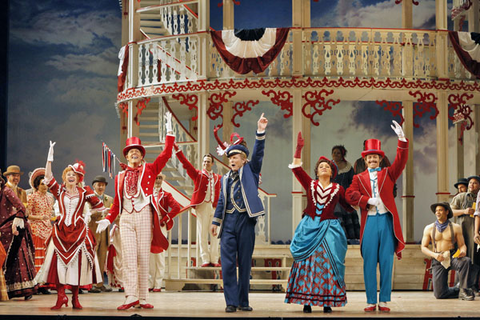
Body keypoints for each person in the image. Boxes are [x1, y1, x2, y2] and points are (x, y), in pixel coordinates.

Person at [96, 112, 175, 310]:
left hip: (143, 215)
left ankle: (142, 297)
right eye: (131, 151)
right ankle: (130, 296)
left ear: (141, 155)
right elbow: (117, 204)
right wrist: (108, 219)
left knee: (142, 258)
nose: (134, 153)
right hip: (126, 218)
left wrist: (169, 130)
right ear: (126, 155)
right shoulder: (120, 176)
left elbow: (166, 154)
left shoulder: (150, 169)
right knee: (129, 258)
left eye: (137, 151)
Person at [285, 133, 353, 313]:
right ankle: (306, 300)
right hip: (309, 227)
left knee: (328, 263)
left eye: (327, 166)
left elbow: (349, 205)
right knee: (308, 262)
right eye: (320, 166)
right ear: (316, 171)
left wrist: (363, 198)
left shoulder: (338, 188)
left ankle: (327, 301)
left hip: (329, 228)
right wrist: (299, 149)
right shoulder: (311, 184)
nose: (324, 168)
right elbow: (297, 169)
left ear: (332, 171)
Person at [345, 120, 408, 312]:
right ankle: (371, 300)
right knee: (370, 261)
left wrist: (401, 140)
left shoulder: (389, 173)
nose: (372, 160)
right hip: (370, 221)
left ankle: (384, 300)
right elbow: (349, 195)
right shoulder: (358, 178)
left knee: (387, 261)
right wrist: (366, 200)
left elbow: (401, 160)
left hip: (386, 221)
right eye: (369, 157)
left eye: (375, 157)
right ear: (365, 160)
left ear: (380, 159)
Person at [35, 145, 106, 310]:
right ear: (64, 177)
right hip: (61, 231)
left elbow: (100, 205)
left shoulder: (84, 192)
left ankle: (75, 298)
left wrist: (87, 216)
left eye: (73, 174)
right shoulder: (59, 190)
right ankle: (60, 297)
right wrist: (49, 159)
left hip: (78, 232)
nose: (71, 176)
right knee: (59, 265)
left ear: (79, 177)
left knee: (77, 266)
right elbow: (48, 176)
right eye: (68, 174)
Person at [210, 113, 268, 313]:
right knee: (227, 263)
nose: (232, 160)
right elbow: (221, 201)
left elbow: (258, 153)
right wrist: (216, 221)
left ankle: (243, 301)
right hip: (229, 222)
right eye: (230, 157)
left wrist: (260, 131)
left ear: (243, 160)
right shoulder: (225, 178)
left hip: (245, 221)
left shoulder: (251, 171)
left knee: (244, 263)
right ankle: (231, 302)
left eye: (236, 157)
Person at [174, 146, 221, 267]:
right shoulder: (198, 175)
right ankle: (205, 258)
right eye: (204, 161)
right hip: (202, 206)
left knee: (216, 233)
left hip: (215, 207)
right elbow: (186, 164)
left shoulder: (217, 178)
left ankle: (214, 259)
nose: (206, 163)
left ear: (213, 164)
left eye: (208, 162)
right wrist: (178, 151)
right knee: (202, 233)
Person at [421, 202, 475, 300]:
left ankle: (464, 290)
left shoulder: (456, 227)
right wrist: (435, 255)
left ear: (447, 212)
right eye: (436, 211)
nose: (438, 212)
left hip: (452, 256)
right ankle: (458, 289)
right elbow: (423, 247)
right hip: (438, 258)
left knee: (466, 261)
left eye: (440, 210)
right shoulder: (429, 228)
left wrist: (463, 251)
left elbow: (462, 245)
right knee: (439, 295)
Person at [0, 171, 38, 300]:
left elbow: (21, 207)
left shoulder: (6, 191)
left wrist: (17, 220)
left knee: (17, 259)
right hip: (2, 230)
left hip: (12, 229)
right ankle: (7, 291)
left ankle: (25, 290)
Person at [149, 173, 181, 292]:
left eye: (160, 178)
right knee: (150, 254)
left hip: (160, 226)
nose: (157, 180)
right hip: (149, 225)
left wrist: (165, 219)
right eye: (156, 178)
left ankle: (158, 283)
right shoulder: (147, 194)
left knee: (160, 254)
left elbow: (176, 207)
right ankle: (150, 282)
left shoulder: (166, 195)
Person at [26, 168, 54, 294]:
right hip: (36, 229)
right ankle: (36, 284)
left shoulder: (50, 198)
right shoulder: (31, 197)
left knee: (47, 257)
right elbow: (27, 215)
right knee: (38, 256)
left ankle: (45, 283)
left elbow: (51, 213)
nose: (45, 186)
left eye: (47, 184)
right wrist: (39, 218)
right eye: (42, 184)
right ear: (37, 185)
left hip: (48, 229)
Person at [452, 175, 480, 293]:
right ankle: (460, 285)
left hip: (476, 233)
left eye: (474, 183)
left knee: (476, 259)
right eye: (470, 183)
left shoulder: (478, 198)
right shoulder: (461, 197)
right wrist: (464, 211)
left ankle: (473, 285)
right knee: (463, 257)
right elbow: (450, 211)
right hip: (463, 233)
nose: (471, 185)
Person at [88, 175, 113, 293]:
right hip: (93, 230)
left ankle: (100, 283)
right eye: (99, 185)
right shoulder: (89, 198)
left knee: (102, 258)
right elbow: (86, 213)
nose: (101, 187)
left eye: (103, 185)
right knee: (92, 257)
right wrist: (99, 212)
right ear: (94, 186)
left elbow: (114, 214)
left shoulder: (109, 199)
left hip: (105, 232)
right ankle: (90, 283)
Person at [331, 145, 360, 240]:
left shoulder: (348, 167)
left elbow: (353, 182)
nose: (335, 154)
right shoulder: (328, 166)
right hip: (331, 196)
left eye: (338, 153)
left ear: (342, 155)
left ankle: (348, 238)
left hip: (344, 196)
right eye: (334, 152)